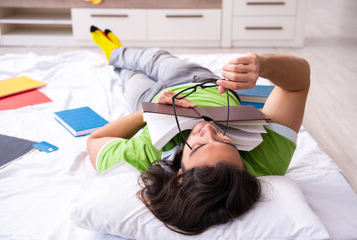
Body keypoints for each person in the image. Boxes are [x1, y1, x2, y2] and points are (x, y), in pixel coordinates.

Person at [87, 26, 310, 235]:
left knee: (130, 77)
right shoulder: (264, 162)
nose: (208, 128)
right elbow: (298, 83)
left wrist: (146, 113)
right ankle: (117, 51)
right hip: (196, 80)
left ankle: (113, 57)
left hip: (149, 101)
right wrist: (263, 64)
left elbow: (96, 139)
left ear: (179, 177)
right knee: (154, 57)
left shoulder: (145, 158)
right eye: (225, 141)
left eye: (199, 146)